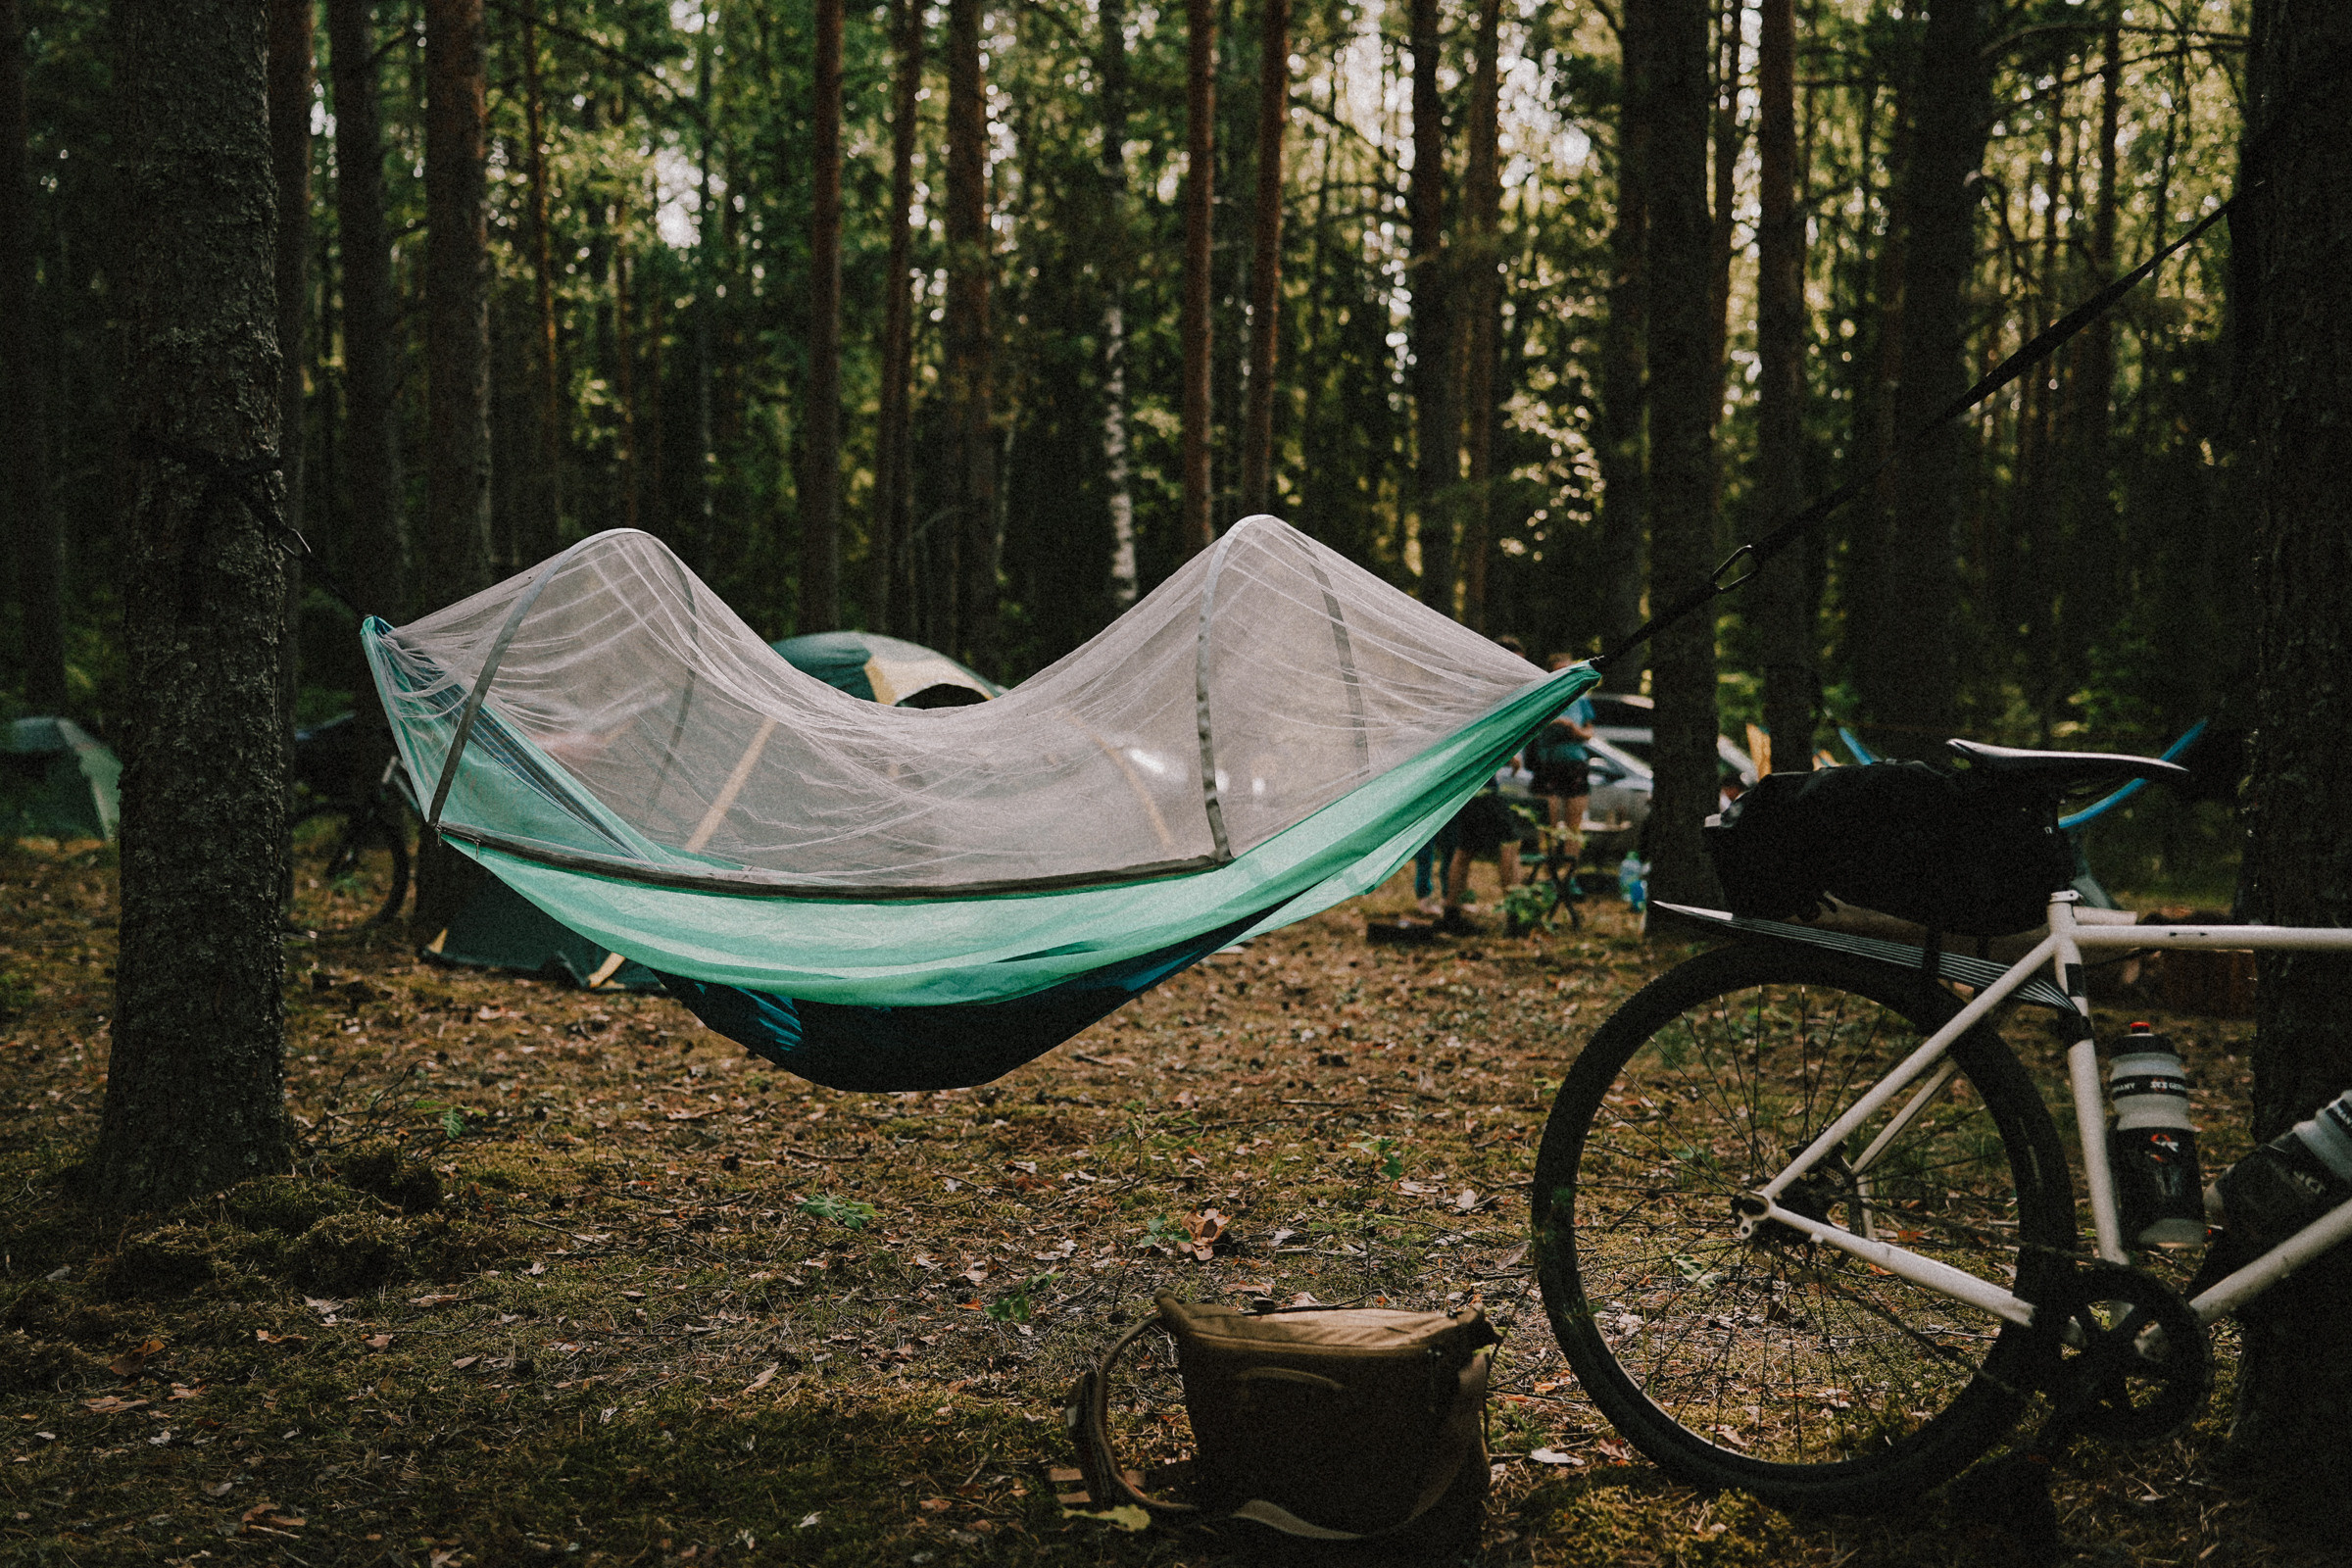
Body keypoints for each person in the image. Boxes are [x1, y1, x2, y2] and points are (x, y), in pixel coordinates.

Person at [1526, 655, 1596, 887]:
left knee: (1574, 826)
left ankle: (1569, 878)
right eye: (1560, 671)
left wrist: (1575, 730)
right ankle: (1549, 875)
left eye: (1569, 670)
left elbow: (1589, 731)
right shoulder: (1543, 695)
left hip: (1575, 764)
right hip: (1548, 765)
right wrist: (1558, 723)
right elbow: (1533, 724)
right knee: (1548, 825)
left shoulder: (1581, 697)